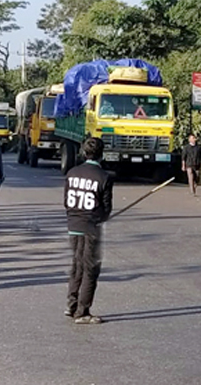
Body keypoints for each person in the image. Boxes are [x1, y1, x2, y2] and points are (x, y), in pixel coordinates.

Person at [64, 137, 113, 325]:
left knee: (77, 265)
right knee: (91, 269)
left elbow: (66, 201)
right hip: (91, 228)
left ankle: (71, 304)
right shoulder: (104, 177)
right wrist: (100, 218)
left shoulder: (71, 172)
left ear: (84, 153)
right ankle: (82, 312)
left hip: (73, 225)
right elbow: (106, 208)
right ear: (101, 154)